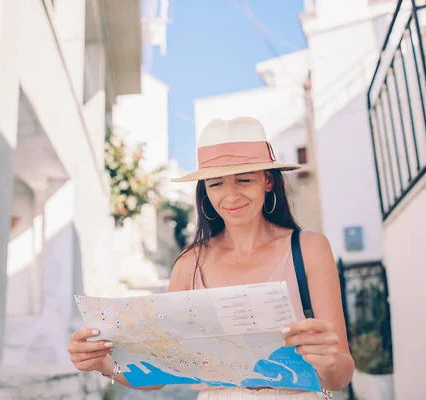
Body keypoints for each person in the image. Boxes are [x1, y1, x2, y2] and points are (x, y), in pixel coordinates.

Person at [68, 117, 354, 399]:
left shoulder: (309, 248)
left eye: (244, 179)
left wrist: (327, 360)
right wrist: (102, 363)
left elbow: (340, 376)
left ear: (268, 181)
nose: (231, 195)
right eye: (216, 184)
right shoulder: (188, 266)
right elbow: (157, 373)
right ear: (204, 189)